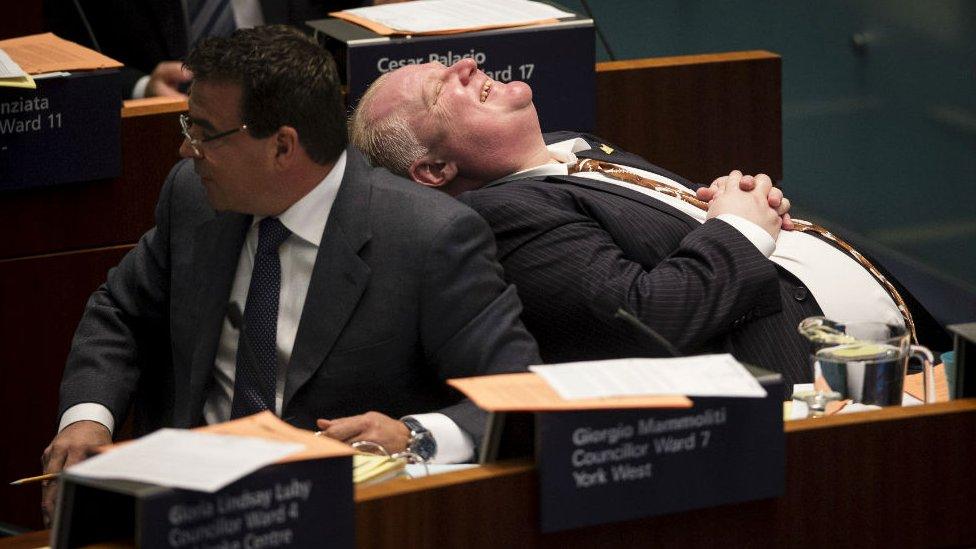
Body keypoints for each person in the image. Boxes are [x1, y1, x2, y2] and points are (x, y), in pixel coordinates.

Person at [41, 28, 539, 523]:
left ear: (283, 147)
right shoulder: (194, 198)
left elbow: (517, 395)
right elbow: (121, 312)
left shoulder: (428, 238)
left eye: (203, 132)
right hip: (182, 508)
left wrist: (414, 436)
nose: (186, 151)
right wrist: (88, 418)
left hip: (333, 516)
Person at [350, 58, 949, 388]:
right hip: (827, 397)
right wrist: (740, 230)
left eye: (453, 63)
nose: (467, 66)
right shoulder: (496, 220)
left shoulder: (569, 148)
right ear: (433, 168)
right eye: (439, 89)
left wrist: (737, 204)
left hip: (912, 348)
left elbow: (682, 234)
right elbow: (649, 317)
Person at [43, 0, 367, 98]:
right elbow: (67, 60)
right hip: (171, 130)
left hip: (302, 108)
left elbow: (358, 22)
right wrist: (141, 88)